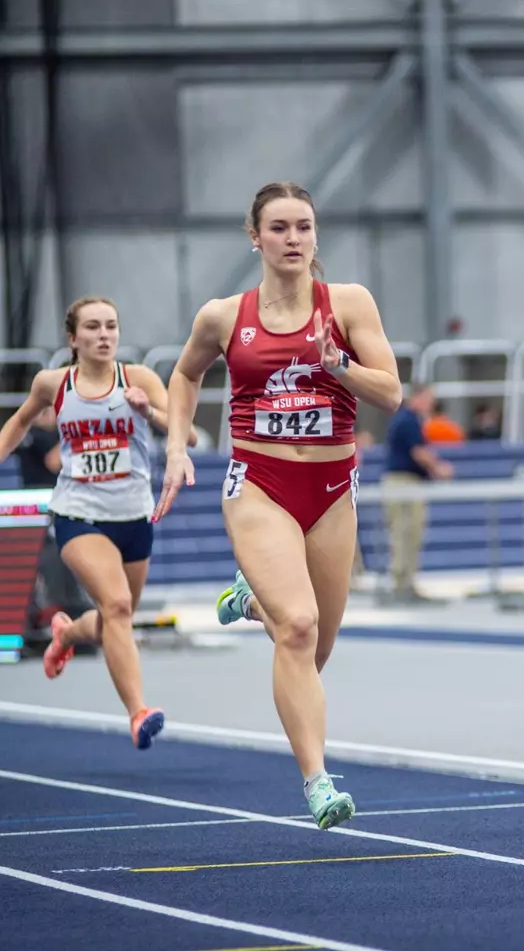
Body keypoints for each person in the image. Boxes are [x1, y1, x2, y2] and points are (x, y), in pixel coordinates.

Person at [155, 182, 406, 830]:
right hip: (260, 484)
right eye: (279, 228)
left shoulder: (348, 304)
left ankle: (252, 594)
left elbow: (391, 394)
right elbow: (185, 375)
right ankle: (319, 783)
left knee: (314, 647)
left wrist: (340, 366)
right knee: (296, 627)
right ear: (255, 236)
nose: (293, 239)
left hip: (330, 490)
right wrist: (177, 448)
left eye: (304, 227)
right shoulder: (222, 316)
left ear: (315, 236)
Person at [0, 296, 183, 750]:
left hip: (133, 515)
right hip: (77, 512)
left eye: (111, 326)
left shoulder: (140, 378)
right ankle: (138, 713)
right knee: (118, 607)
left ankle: (68, 632)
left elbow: (177, 424)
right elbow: (19, 420)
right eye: (92, 327)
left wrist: (148, 412)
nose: (104, 335)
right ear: (73, 338)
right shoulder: (55, 383)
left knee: (116, 618)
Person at [381, 382, 453, 604]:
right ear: (418, 397)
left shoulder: (411, 420)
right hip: (404, 483)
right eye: (428, 398)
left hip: (408, 482)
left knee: (410, 535)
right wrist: (438, 468)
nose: (431, 403)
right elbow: (419, 452)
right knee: (404, 533)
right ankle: (402, 586)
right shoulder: (408, 420)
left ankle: (407, 583)